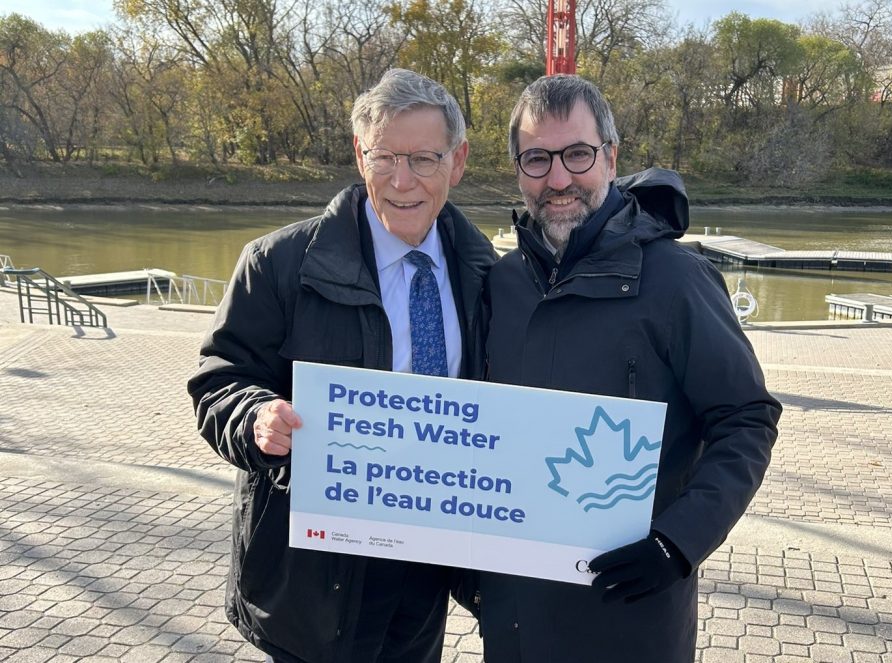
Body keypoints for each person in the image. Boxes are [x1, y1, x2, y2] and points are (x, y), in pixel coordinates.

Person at [187, 68, 495, 663]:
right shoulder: (277, 265)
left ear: (457, 162)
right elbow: (218, 377)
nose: (403, 181)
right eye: (385, 157)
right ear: (360, 154)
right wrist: (254, 417)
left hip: (426, 564)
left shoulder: (488, 277)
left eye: (425, 160)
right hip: (312, 574)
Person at [475, 74, 782, 662]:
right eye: (536, 159)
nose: (558, 178)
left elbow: (746, 419)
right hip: (513, 617)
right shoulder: (502, 283)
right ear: (517, 168)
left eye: (577, 154)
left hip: (628, 612)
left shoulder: (677, 281)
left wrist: (678, 542)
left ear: (611, 158)